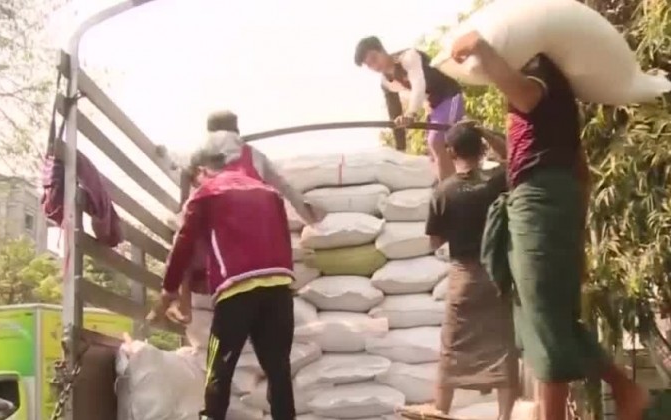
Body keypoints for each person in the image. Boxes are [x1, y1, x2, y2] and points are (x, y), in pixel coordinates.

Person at [450, 31, 648, 420]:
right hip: (543, 201)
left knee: (543, 312)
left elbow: (523, 95)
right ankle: (621, 391)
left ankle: (623, 389)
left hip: (542, 202)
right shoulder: (550, 105)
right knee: (537, 311)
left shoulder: (540, 73)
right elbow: (547, 160)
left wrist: (481, 48)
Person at [158, 147, 296, 420]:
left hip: (237, 291)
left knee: (219, 369)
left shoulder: (207, 194)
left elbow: (184, 244)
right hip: (279, 288)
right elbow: (284, 238)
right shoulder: (268, 192)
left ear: (201, 171)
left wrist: (169, 289)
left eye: (194, 180)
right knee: (279, 370)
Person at [162, 110, 324, 325]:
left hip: (221, 227)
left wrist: (184, 208)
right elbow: (283, 185)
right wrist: (308, 213)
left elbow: (185, 181)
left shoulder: (202, 151)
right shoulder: (254, 155)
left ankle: (184, 305)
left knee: (185, 243)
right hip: (257, 226)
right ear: (236, 129)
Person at [425, 121, 517, 420]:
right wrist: (485, 130)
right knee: (502, 347)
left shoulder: (443, 191)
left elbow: (435, 240)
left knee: (452, 349)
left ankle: (441, 410)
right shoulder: (497, 181)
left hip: (463, 277)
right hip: (497, 275)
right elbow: (514, 155)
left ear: (451, 152)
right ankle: (504, 416)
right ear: (481, 149)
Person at [354, 36, 465, 180]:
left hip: (450, 96)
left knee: (436, 141)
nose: (374, 66)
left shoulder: (408, 57)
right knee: (433, 151)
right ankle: (448, 184)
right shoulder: (386, 83)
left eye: (374, 59)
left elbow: (419, 85)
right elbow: (394, 113)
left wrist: (411, 113)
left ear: (382, 50)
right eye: (369, 65)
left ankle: (450, 187)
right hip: (433, 106)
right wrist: (400, 148)